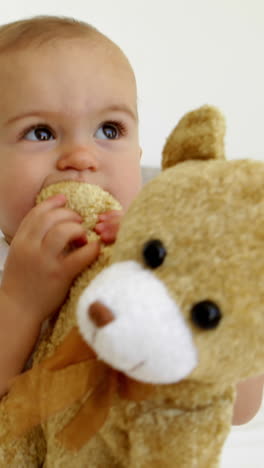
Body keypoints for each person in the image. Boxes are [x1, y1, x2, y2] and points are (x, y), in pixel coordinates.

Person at [0, 15, 262, 426]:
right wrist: (20, 303)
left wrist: (180, 270)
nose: (81, 158)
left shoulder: (163, 241)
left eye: (109, 129)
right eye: (40, 133)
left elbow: (239, 409)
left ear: (138, 157)